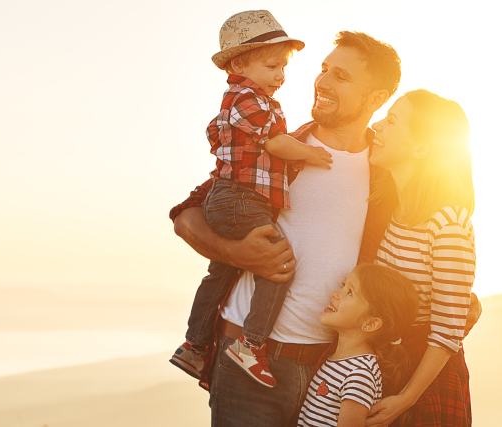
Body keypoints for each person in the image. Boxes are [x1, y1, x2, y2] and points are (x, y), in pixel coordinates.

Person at [170, 30, 405, 426]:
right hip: (245, 363)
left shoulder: (386, 177)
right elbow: (185, 216)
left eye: (341, 77)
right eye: (324, 69)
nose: (322, 82)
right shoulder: (276, 149)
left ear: (377, 99)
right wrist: (235, 253)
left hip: (333, 371)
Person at [170, 10, 334, 389]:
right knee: (278, 266)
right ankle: (251, 344)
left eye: (284, 68)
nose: (280, 76)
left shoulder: (240, 98)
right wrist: (310, 154)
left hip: (232, 199)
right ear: (239, 63)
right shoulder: (248, 99)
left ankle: (194, 345)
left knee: (221, 271)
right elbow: (276, 142)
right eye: (272, 65)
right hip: (242, 199)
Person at [362, 89, 476, 427]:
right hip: (384, 367)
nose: (377, 126)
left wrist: (406, 399)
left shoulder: (448, 224)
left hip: (425, 382)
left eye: (391, 121)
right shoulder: (388, 207)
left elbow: (447, 330)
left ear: (421, 148)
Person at [298, 263, 418, 427]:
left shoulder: (359, 374)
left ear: (371, 323)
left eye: (349, 292)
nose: (335, 294)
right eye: (343, 286)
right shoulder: (339, 361)